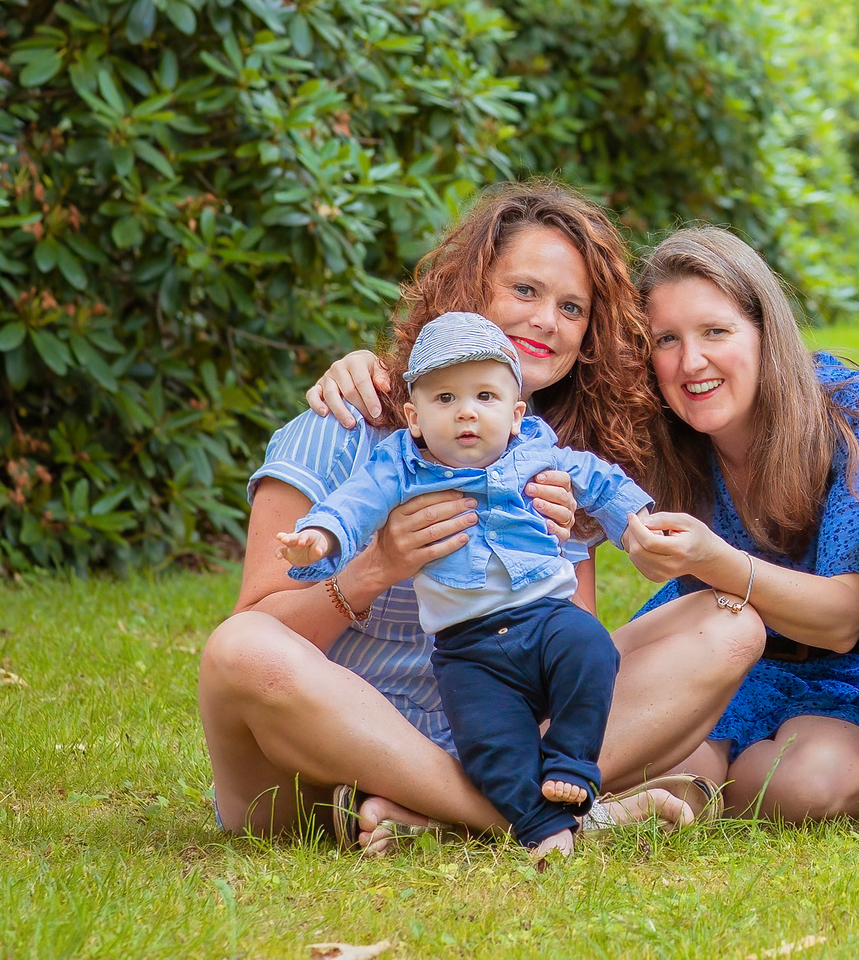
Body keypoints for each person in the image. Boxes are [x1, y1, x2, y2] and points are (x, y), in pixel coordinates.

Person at [199, 180, 764, 853]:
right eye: (525, 291)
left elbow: (561, 671)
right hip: (323, 762)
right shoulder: (345, 423)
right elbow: (257, 632)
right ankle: (530, 819)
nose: (547, 321)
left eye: (572, 308)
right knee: (241, 648)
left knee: (730, 624)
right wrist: (377, 567)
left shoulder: (548, 463)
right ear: (468, 290)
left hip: (494, 731)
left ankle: (456, 813)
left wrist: (556, 548)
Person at [277, 312, 656, 860]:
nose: (467, 412)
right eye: (445, 399)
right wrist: (320, 537)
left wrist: (636, 522)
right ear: (414, 417)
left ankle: (572, 763)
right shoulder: (400, 466)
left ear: (516, 413)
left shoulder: (537, 450)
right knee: (490, 740)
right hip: (468, 647)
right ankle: (543, 824)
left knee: (592, 649)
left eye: (485, 396)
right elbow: (354, 505)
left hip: (547, 616)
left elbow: (600, 479)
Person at [592, 226, 859, 825]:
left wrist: (711, 559)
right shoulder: (658, 425)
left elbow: (845, 620)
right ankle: (667, 789)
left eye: (715, 332)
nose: (691, 362)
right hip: (718, 657)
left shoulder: (852, 411)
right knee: (652, 767)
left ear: (764, 332)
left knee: (803, 786)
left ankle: (691, 786)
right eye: (667, 339)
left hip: (852, 672)